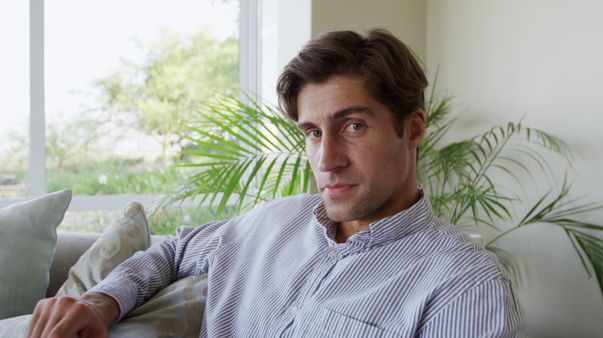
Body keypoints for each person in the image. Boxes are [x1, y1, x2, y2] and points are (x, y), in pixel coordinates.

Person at [28, 29, 525, 337]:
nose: (326, 159)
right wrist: (101, 301)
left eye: (353, 126)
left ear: (412, 129)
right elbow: (175, 251)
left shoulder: (461, 284)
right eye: (312, 132)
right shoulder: (268, 222)